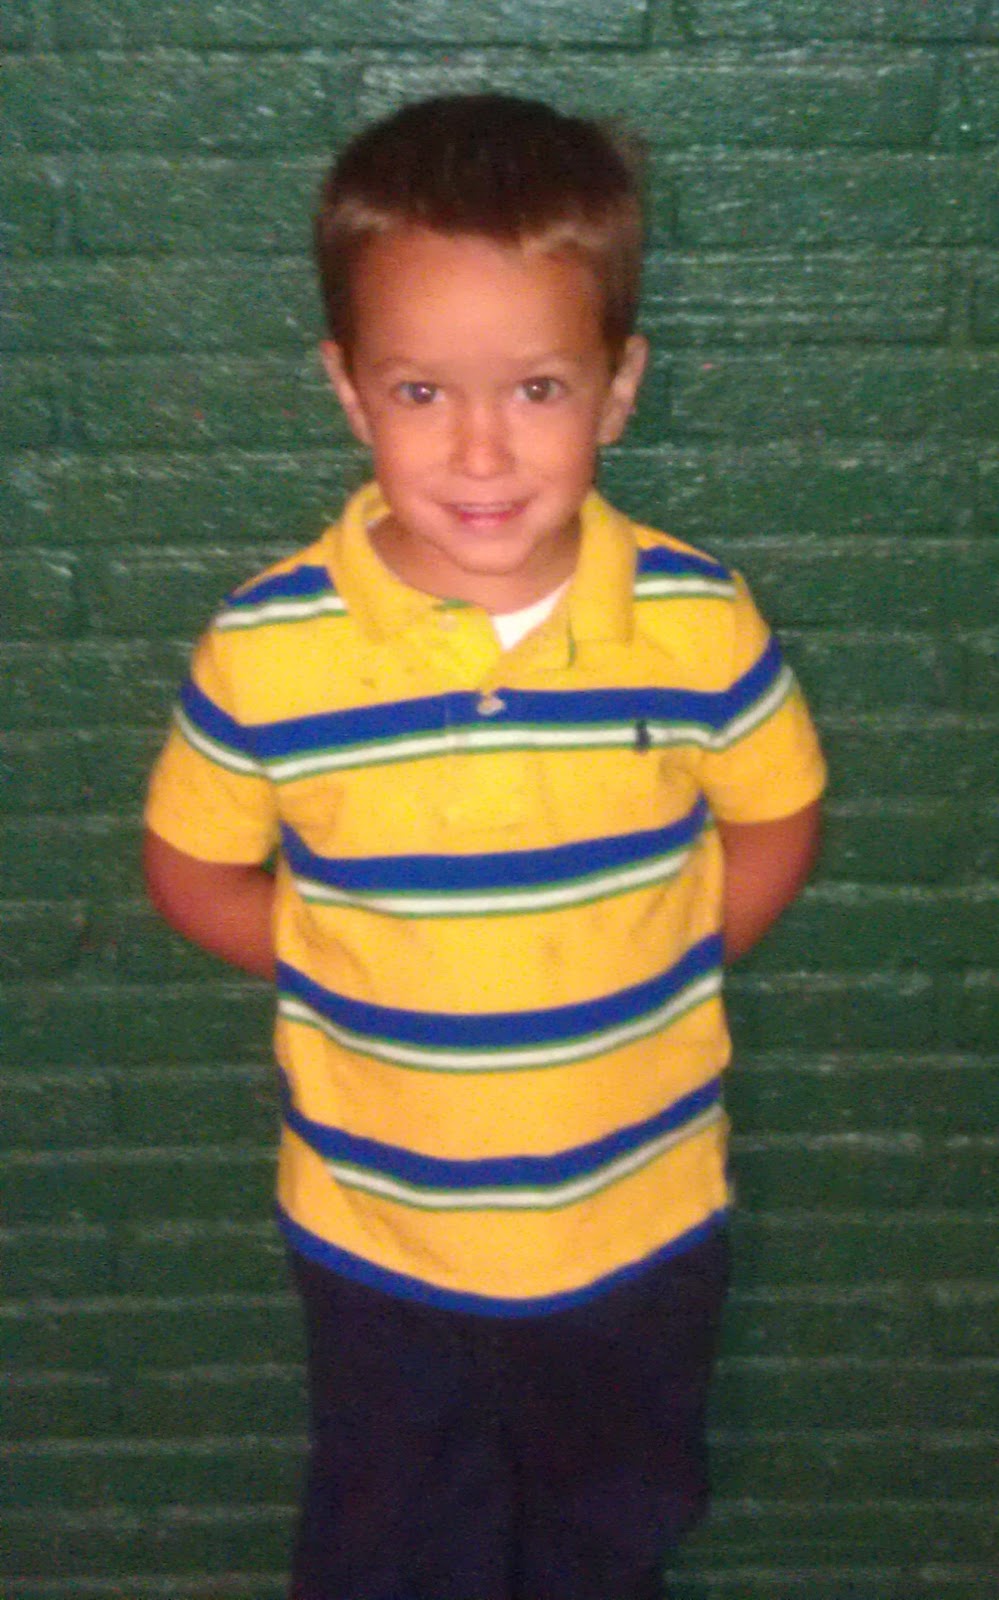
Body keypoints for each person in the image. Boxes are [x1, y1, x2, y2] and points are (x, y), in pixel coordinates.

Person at [143, 94, 826, 1600]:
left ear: (618, 387)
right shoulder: (268, 647)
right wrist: (356, 960)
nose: (479, 448)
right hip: (382, 1242)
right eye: (419, 390)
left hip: (642, 1226)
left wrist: (655, 962)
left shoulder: (698, 620)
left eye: (536, 387)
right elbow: (189, 871)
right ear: (347, 389)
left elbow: (778, 814)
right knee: (393, 1552)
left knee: (609, 1540)